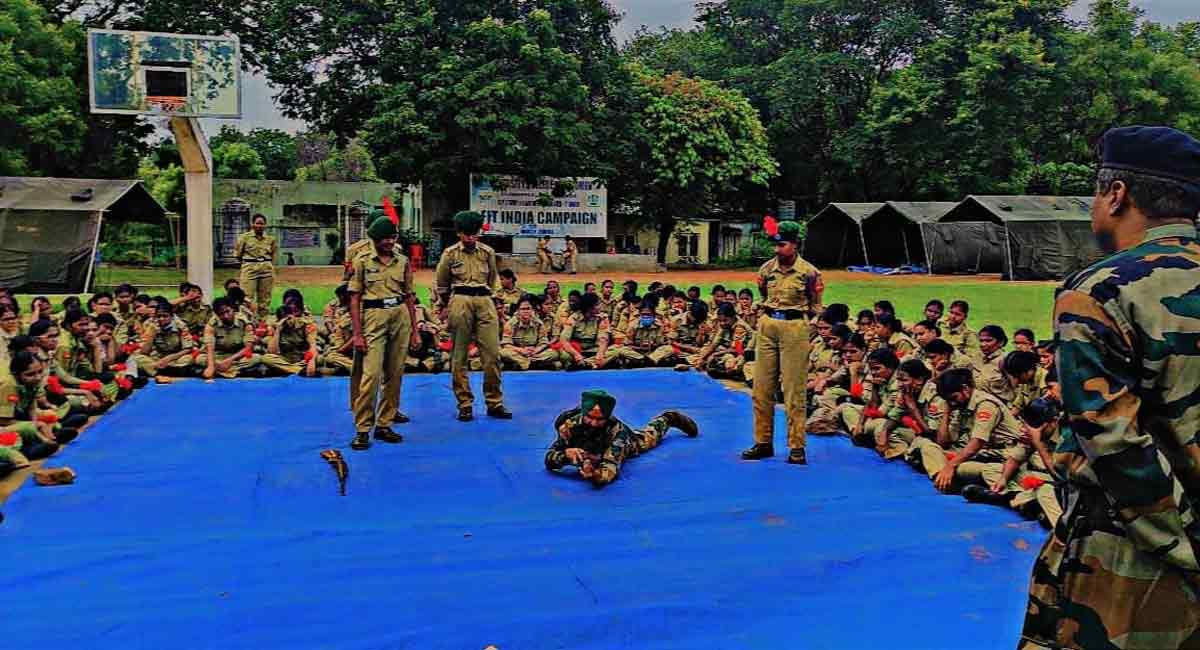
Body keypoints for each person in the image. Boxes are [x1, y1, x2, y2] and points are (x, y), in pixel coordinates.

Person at [1020, 125, 1200, 649]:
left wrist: (1184, 549)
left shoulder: (1100, 290)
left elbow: (1115, 444)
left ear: (1116, 195)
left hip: (1133, 556)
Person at [743, 219, 822, 465]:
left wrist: (809, 328)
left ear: (796, 245)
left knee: (793, 390)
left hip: (795, 326)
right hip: (768, 325)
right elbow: (763, 295)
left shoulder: (809, 273)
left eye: (783, 245)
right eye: (775, 246)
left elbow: (816, 305)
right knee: (761, 388)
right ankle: (763, 442)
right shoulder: (766, 270)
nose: (777, 250)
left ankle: (796, 446)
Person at [347, 216, 420, 449]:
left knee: (395, 373)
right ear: (374, 240)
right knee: (371, 374)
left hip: (399, 314)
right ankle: (362, 428)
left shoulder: (403, 261)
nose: (389, 242)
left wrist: (415, 331)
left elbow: (409, 295)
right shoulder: (362, 261)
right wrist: (357, 334)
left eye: (392, 238)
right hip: (373, 316)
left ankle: (385, 424)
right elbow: (355, 298)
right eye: (384, 239)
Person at [435, 211, 510, 421]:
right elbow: (442, 284)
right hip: (460, 299)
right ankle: (465, 403)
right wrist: (444, 306)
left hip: (485, 300)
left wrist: (496, 303)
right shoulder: (450, 254)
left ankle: (494, 402)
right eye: (466, 234)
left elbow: (494, 279)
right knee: (459, 356)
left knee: (493, 355)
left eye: (474, 234)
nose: (470, 238)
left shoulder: (487, 252)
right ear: (459, 233)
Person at [544, 389, 698, 487]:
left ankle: (668, 418)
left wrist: (595, 475)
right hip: (591, 450)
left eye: (600, 419)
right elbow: (549, 460)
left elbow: (610, 468)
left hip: (625, 443)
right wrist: (565, 455)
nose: (594, 423)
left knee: (646, 439)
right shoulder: (569, 425)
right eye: (590, 417)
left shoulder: (618, 433)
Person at [201, 297, 262, 379]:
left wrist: (229, 361)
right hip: (218, 356)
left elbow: (248, 347)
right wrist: (211, 366)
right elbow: (209, 348)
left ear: (233, 309)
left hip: (237, 356)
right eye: (221, 314)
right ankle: (234, 371)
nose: (226, 316)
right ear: (217, 314)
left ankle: (221, 371)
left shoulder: (244, 323)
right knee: (199, 359)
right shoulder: (211, 325)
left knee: (256, 358)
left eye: (227, 311)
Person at [234, 213, 277, 320]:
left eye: (262, 224)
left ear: (265, 225)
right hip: (249, 267)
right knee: (246, 296)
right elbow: (238, 254)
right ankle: (246, 321)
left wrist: (268, 265)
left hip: (266, 268)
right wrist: (249, 262)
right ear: (252, 224)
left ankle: (263, 321)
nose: (260, 226)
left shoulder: (270, 239)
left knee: (265, 298)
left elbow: (273, 254)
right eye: (257, 223)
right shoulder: (244, 237)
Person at [499, 295, 557, 370]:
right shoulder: (510, 324)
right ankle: (533, 364)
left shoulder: (538, 323)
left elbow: (544, 342)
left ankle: (525, 363)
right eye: (523, 309)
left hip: (534, 352)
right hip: (517, 351)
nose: (526, 311)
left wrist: (536, 350)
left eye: (528, 309)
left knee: (554, 353)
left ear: (532, 310)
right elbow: (506, 344)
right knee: (503, 353)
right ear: (518, 311)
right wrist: (522, 350)